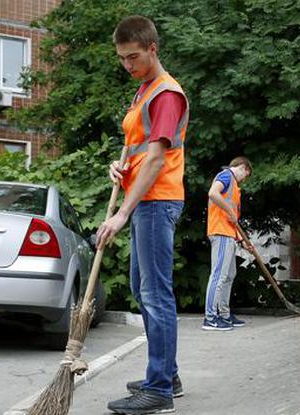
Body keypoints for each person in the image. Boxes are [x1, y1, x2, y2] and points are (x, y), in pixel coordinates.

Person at [95, 15, 188, 415]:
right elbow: (137, 158)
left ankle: (159, 390)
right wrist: (120, 169)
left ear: (153, 49)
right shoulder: (143, 92)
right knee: (142, 289)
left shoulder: (165, 94)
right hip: (145, 199)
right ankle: (168, 373)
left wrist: (119, 216)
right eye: (121, 59)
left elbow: (154, 162)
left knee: (155, 294)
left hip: (155, 201)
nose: (127, 65)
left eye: (133, 57)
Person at [203, 157, 253, 331]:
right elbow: (212, 193)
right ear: (242, 167)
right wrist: (229, 209)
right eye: (246, 174)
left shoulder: (233, 186)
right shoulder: (226, 176)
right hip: (221, 232)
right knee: (218, 275)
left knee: (229, 274)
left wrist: (242, 240)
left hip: (229, 233)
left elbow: (233, 220)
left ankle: (224, 314)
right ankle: (210, 318)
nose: (244, 179)